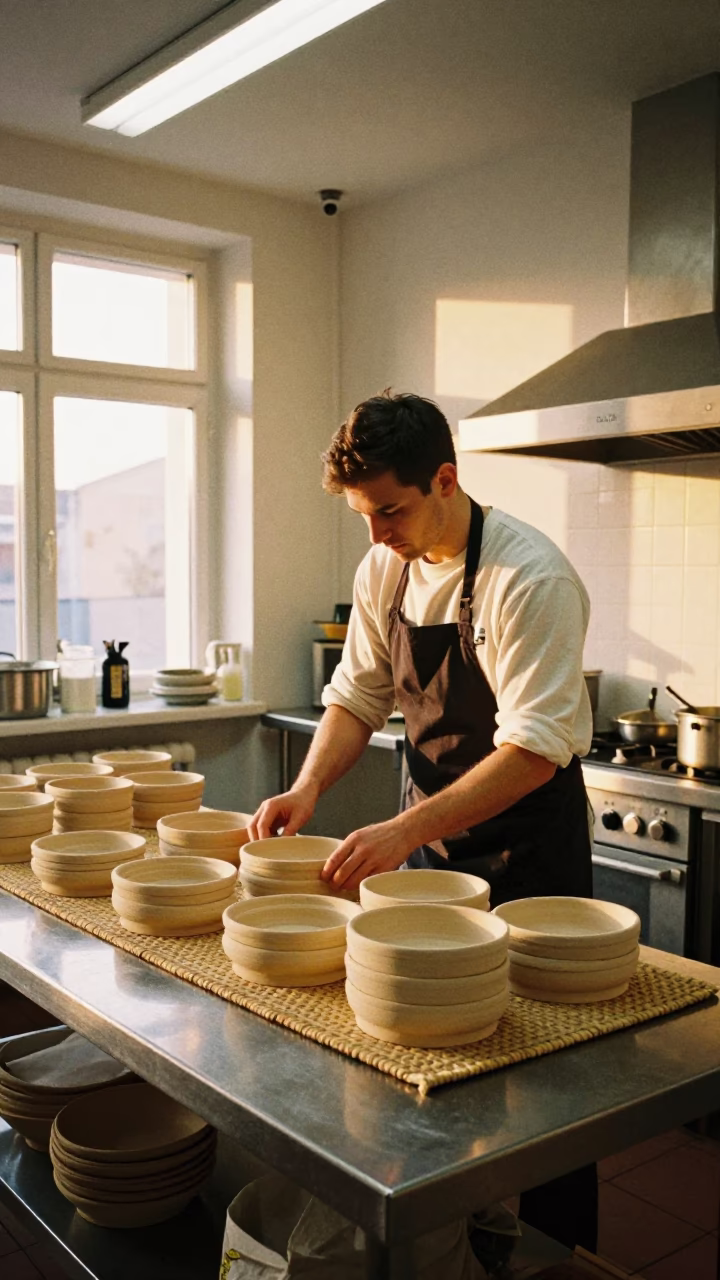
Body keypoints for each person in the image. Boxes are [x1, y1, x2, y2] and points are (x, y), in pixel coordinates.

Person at [250, 389, 597, 1252]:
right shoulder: (387, 569)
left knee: (548, 1086)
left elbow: (535, 750)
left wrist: (402, 831)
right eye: (363, 516)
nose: (375, 535)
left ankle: (556, 1258)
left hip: (528, 860)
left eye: (389, 512)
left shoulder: (530, 576)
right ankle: (458, 1241)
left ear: (446, 479)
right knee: (436, 1067)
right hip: (433, 848)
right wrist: (308, 788)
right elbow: (358, 696)